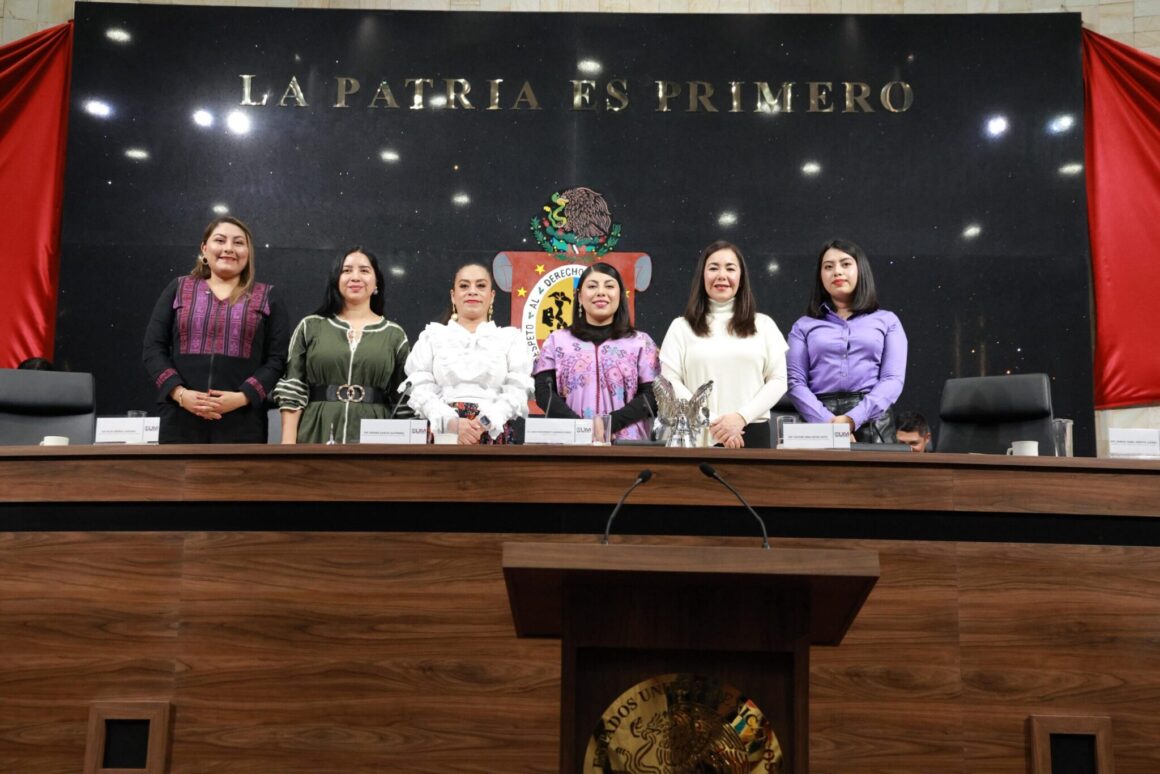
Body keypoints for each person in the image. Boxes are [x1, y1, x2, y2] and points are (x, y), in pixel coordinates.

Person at [142, 216, 289, 444]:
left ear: (248, 253)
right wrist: (180, 394)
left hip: (243, 421)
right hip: (180, 418)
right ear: (204, 248)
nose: (229, 248)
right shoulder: (178, 288)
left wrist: (242, 398)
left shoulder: (268, 296)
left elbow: (277, 360)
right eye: (220, 240)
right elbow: (153, 348)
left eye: (239, 243)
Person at [659, 240, 788, 449]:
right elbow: (670, 382)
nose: (721, 275)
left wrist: (740, 418)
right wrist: (715, 423)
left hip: (750, 430)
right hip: (697, 431)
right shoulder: (680, 327)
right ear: (702, 276)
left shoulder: (764, 325)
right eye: (713, 268)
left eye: (730, 268)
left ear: (741, 277)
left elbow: (779, 380)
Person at [273, 248, 409, 444]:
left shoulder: (394, 335)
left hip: (377, 435)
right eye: (346, 271)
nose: (355, 277)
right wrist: (287, 446)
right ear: (336, 279)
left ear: (376, 282)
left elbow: (404, 402)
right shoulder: (310, 326)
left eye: (364, 270)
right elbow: (293, 389)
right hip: (316, 429)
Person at [787, 238, 907, 444]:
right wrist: (829, 424)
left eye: (846, 264)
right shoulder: (803, 326)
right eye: (828, 267)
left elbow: (892, 380)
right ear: (820, 276)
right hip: (817, 421)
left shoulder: (888, 321)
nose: (837, 272)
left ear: (861, 270)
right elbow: (795, 382)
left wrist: (852, 419)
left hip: (872, 422)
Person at [404, 263, 532, 444]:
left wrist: (484, 424)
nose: (472, 291)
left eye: (481, 286)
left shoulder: (511, 339)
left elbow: (517, 391)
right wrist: (451, 424)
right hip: (444, 434)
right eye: (464, 286)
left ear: (492, 296)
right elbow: (420, 387)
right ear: (453, 296)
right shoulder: (432, 337)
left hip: (493, 434)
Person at [533, 262, 659, 442]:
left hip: (628, 446)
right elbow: (544, 394)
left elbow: (653, 396)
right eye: (592, 286)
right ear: (579, 296)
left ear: (620, 295)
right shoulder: (556, 341)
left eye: (609, 286)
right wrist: (580, 428)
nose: (601, 292)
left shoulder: (641, 342)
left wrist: (611, 423)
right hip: (570, 443)